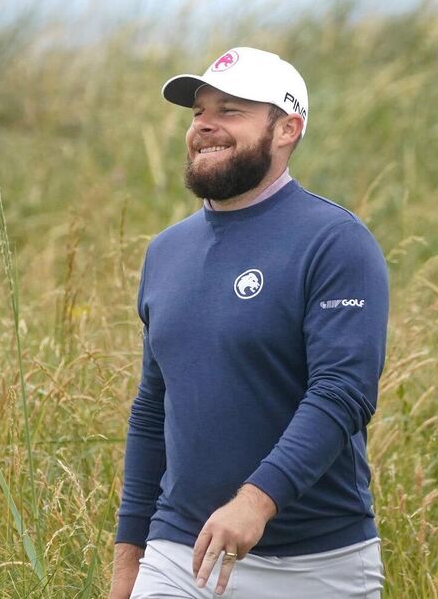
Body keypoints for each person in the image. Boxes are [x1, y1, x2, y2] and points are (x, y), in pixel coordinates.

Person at [108, 47, 389, 598]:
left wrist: (255, 501)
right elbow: (152, 409)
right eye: (198, 113)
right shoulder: (166, 251)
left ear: (287, 129)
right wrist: (128, 562)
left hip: (315, 564)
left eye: (230, 111)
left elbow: (343, 392)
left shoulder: (335, 242)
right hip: (178, 554)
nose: (204, 126)